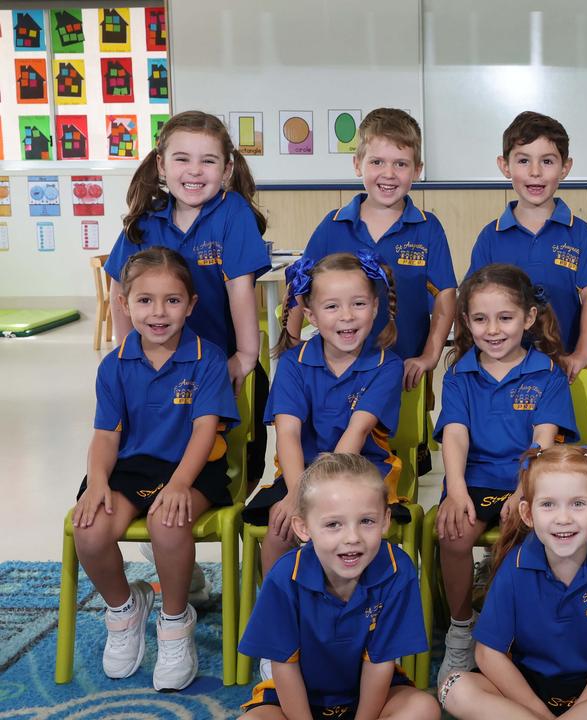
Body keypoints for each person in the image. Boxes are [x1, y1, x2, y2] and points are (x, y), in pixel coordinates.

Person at [105, 109, 271, 599]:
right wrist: (122, 353)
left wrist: (245, 355)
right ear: (161, 165)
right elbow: (120, 285)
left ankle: (254, 588)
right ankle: (180, 571)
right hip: (154, 376)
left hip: (218, 374)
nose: (194, 171)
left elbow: (240, 289)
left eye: (207, 161)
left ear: (225, 168)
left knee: (225, 475)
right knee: (151, 465)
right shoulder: (145, 221)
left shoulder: (233, 213)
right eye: (182, 159)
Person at [72, 247, 239, 691]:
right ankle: (125, 609)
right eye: (145, 300)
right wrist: (98, 483)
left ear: (191, 305)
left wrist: (181, 483)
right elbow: (106, 435)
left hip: (193, 465)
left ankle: (174, 622)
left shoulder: (207, 359)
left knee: (168, 524)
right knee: (88, 530)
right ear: (124, 304)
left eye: (172, 300)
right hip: (131, 468)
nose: (159, 312)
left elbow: (205, 432)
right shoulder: (114, 365)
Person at [439, 446, 587, 720]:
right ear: (528, 514)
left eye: (578, 503)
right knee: (453, 687)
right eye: (548, 504)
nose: (563, 518)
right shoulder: (515, 566)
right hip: (525, 691)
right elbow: (488, 655)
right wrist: (540, 713)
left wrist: (579, 711)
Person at [434, 263, 580, 687]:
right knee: (454, 534)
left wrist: (523, 492)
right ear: (466, 322)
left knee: (534, 533)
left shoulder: (548, 373)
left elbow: (543, 440)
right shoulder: (459, 373)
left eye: (505, 318)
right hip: (475, 478)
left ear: (529, 318)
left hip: (532, 480)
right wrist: (456, 490)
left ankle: (526, 632)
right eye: (480, 319)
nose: (492, 330)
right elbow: (456, 436)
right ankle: (462, 628)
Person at [246, 252, 405, 615]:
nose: (347, 316)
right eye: (332, 306)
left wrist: (311, 499)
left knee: (347, 532)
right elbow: (287, 435)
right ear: (312, 315)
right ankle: (281, 623)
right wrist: (298, 493)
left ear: (375, 306)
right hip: (298, 474)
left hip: (362, 473)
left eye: (359, 304)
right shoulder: (292, 364)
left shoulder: (387, 366)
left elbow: (355, 435)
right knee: (278, 532)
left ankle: (356, 618)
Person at [239, 453, 438, 720]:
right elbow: (284, 666)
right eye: (333, 524)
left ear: (385, 520)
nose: (352, 538)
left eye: (366, 521)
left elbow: (379, 663)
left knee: (424, 709)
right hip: (297, 699)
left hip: (370, 698)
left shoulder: (397, 570)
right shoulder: (284, 576)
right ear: (303, 527)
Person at [293, 107, 457, 395]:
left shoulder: (428, 228)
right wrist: (292, 350)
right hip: (337, 373)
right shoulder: (333, 226)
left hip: (405, 373)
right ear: (358, 164)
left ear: (417, 170)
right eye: (377, 162)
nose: (389, 174)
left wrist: (430, 356)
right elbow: (300, 286)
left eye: (401, 164)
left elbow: (445, 295)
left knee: (403, 436)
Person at [469, 111, 587, 382]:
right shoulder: (490, 237)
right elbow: (473, 302)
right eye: (523, 160)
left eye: (547, 161)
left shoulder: (581, 235)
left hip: (562, 368)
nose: (535, 172)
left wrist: (582, 355)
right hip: (501, 368)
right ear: (504, 165)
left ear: (565, 167)